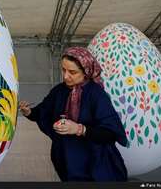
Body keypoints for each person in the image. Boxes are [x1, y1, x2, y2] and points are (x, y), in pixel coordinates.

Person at [19, 47, 128, 181]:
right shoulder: (58, 91)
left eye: (72, 72)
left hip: (96, 166)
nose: (65, 76)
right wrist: (29, 112)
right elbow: (41, 112)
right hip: (67, 165)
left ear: (86, 72)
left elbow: (110, 134)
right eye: (63, 70)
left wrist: (78, 129)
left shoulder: (96, 94)